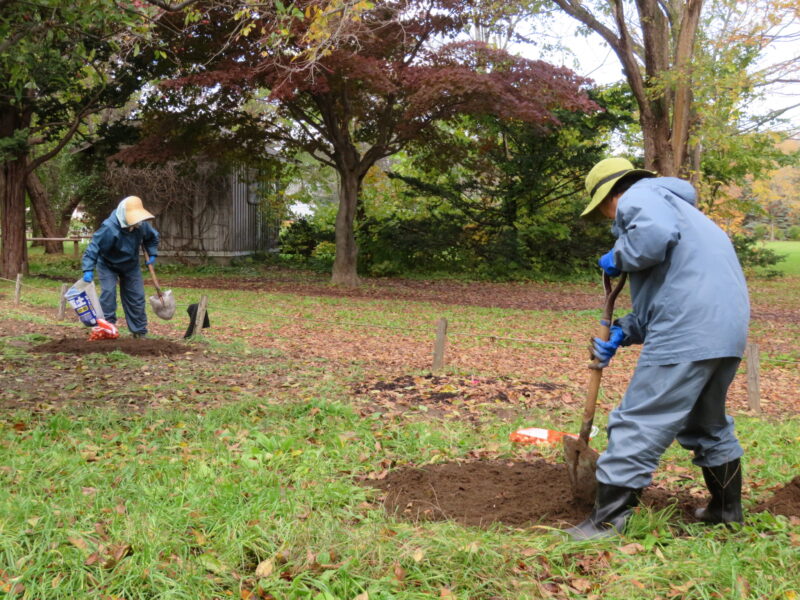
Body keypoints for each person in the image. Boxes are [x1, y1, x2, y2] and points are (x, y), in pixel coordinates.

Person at [566, 157, 750, 540]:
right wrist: (622, 332)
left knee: (639, 419)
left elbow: (651, 237)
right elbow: (667, 297)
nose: (611, 223)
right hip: (724, 331)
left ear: (610, 196)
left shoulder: (641, 195)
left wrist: (617, 257)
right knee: (707, 423)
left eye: (604, 214)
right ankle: (725, 510)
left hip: (687, 330)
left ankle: (606, 523)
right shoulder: (685, 215)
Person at [81, 196, 160, 338]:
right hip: (107, 265)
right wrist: (88, 268)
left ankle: (139, 331)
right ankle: (106, 329)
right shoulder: (109, 228)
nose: (137, 222)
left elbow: (152, 237)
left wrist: (152, 252)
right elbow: (94, 247)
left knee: (137, 297)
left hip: (131, 265)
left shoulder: (141, 225)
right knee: (108, 294)